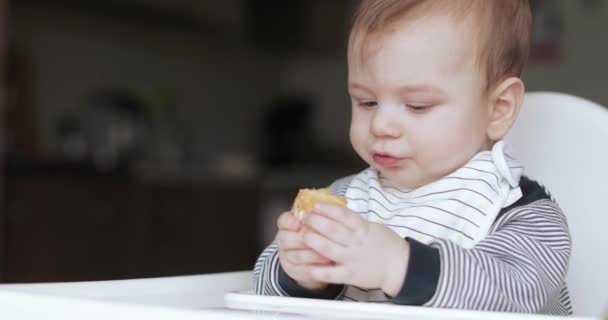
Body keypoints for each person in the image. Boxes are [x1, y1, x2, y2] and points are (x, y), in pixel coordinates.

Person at [254, 0, 572, 315]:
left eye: (417, 105)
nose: (380, 125)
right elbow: (263, 286)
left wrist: (398, 266)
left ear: (497, 109)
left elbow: (514, 294)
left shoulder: (523, 214)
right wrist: (300, 271)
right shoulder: (347, 199)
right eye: (366, 102)